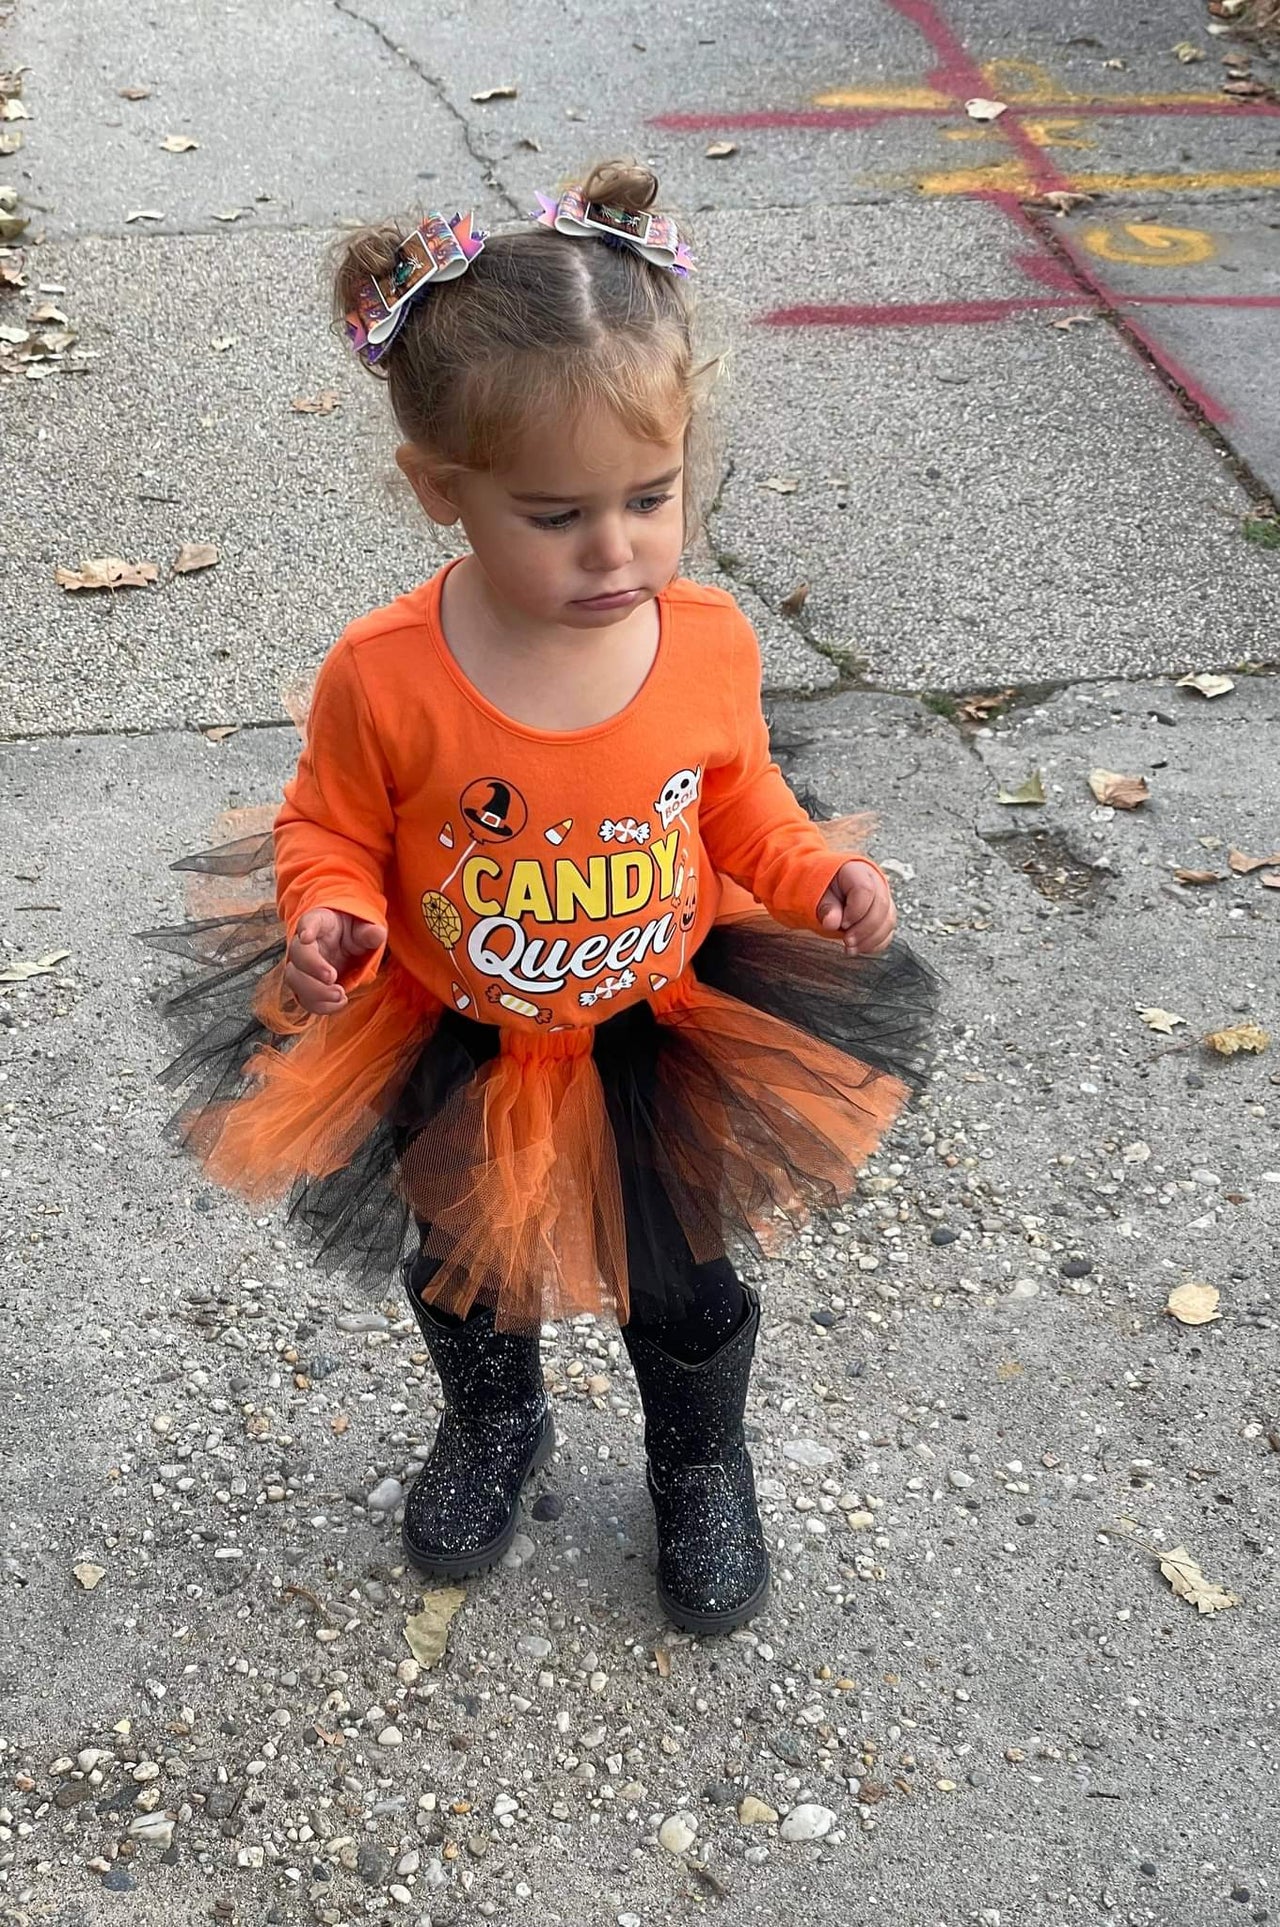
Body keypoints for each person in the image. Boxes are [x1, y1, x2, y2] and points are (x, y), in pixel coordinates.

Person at [149, 161, 938, 1637]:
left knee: (682, 1286)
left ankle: (700, 1456)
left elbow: (741, 800)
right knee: (462, 1267)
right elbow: (329, 821)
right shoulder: (385, 674)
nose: (615, 548)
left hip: (660, 1023)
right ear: (440, 492)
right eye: (556, 511)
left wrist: (815, 868)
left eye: (653, 497)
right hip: (459, 1026)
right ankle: (496, 1424)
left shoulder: (702, 642)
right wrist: (331, 908)